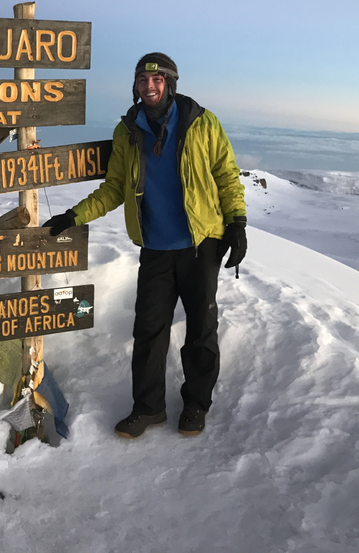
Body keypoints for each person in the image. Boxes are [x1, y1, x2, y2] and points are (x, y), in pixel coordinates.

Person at [43, 52, 247, 438]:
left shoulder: (202, 122)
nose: (149, 87)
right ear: (135, 87)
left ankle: (196, 404)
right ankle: (148, 408)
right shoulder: (129, 131)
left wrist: (236, 224)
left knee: (201, 328)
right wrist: (74, 216)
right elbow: (115, 189)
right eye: (142, 81)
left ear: (170, 84)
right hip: (155, 247)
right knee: (149, 330)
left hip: (200, 244)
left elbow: (226, 175)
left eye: (156, 80)